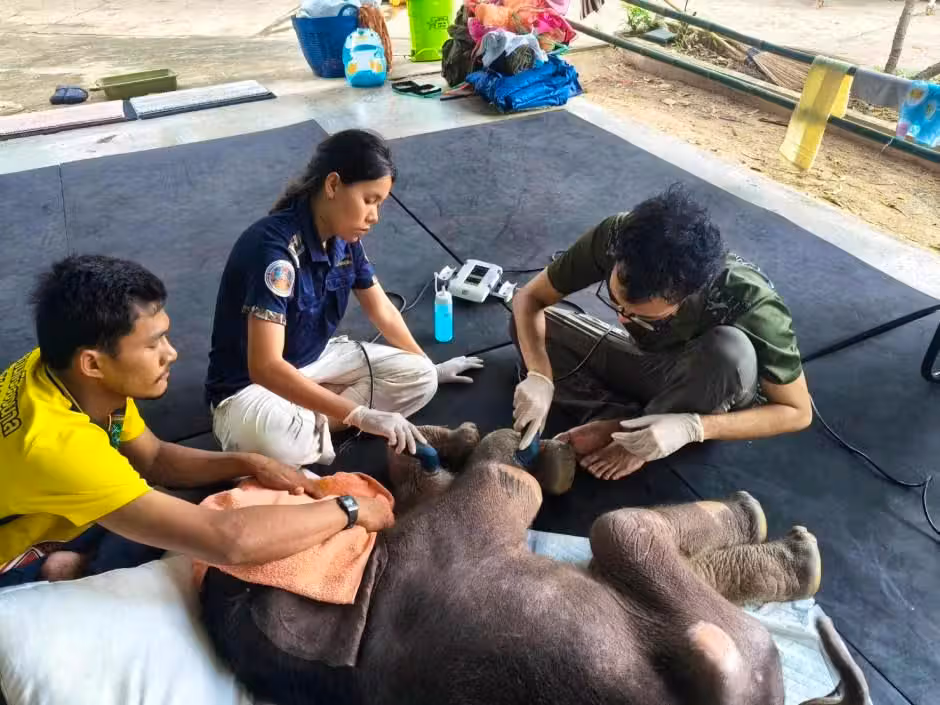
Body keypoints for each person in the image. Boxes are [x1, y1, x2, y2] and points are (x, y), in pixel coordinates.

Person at [0, 255, 393, 589]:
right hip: (13, 554)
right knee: (184, 569)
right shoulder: (58, 446)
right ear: (93, 363)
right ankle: (56, 571)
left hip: (56, 498)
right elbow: (229, 542)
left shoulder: (69, 372)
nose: (171, 354)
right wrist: (348, 509)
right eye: (152, 344)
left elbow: (152, 458)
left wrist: (251, 463)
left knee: (180, 505)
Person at [205, 129, 482, 466]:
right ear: (333, 185)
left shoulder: (344, 239)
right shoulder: (275, 254)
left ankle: (313, 417)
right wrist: (361, 415)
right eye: (369, 199)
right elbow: (264, 367)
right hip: (250, 388)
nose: (374, 217)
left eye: (380, 204)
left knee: (421, 378)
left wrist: (427, 366)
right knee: (276, 439)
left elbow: (383, 310)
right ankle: (322, 416)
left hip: (316, 362)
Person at [510, 185, 812, 480]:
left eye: (642, 315)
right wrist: (540, 374)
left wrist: (694, 427)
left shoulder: (747, 298)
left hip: (708, 385)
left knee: (730, 351)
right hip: (650, 362)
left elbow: (797, 412)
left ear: (688, 295)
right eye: (616, 302)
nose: (622, 318)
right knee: (530, 328)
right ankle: (621, 421)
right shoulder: (618, 237)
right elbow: (530, 298)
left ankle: (646, 434)